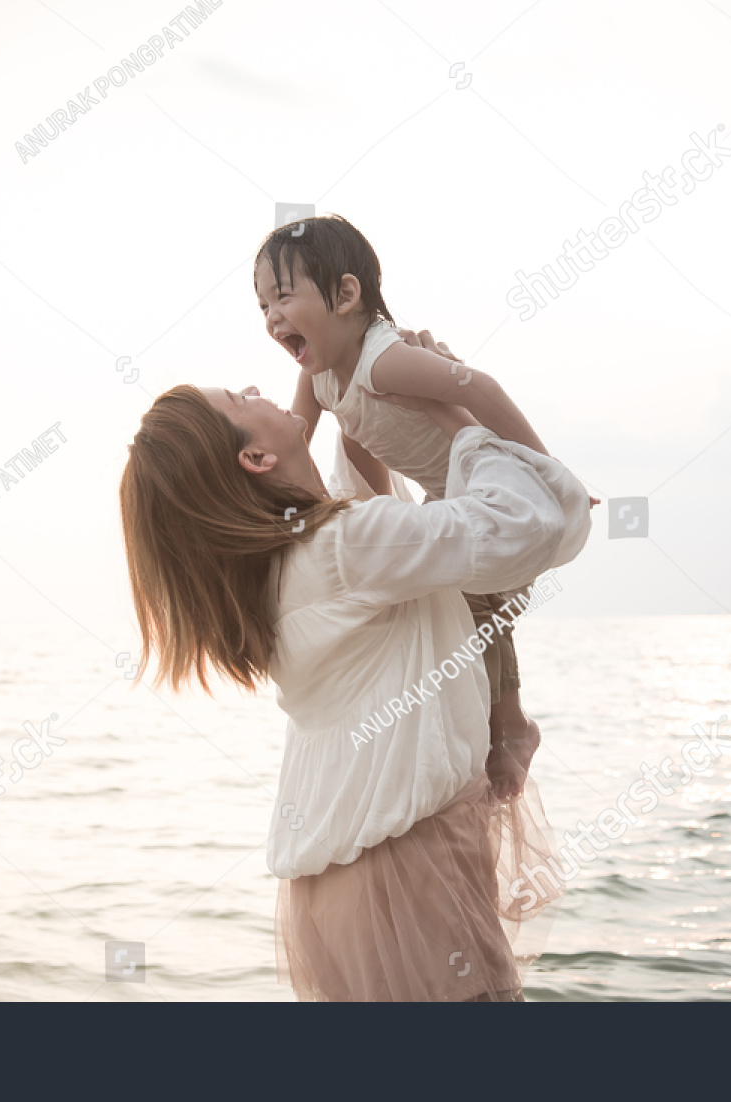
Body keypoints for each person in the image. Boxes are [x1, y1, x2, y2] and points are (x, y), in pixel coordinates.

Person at [119, 332, 594, 1001]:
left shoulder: (282, 569)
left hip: (331, 889)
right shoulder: (342, 549)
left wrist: (362, 396)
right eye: (242, 397)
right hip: (405, 870)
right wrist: (452, 412)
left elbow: (394, 518)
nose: (262, 391)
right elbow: (533, 526)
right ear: (254, 457)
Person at [256, 214, 585, 797]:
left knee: (482, 613)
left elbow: (477, 387)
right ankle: (494, 726)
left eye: (283, 297)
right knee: (456, 611)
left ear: (347, 294)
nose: (271, 318)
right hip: (439, 496)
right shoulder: (322, 373)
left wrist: (549, 473)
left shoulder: (386, 360)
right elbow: (305, 440)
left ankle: (512, 724)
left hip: (482, 490)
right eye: (262, 307)